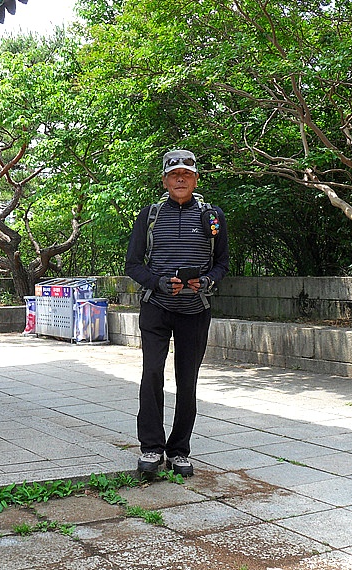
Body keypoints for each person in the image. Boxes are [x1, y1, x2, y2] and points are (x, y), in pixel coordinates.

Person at [125, 149, 229, 477]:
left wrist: (207, 281)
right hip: (156, 307)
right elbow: (133, 264)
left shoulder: (212, 215)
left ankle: (179, 450)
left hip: (195, 310)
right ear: (165, 181)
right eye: (174, 174)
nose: (180, 179)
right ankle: (151, 448)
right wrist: (156, 282)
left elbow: (222, 263)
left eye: (186, 174)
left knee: (188, 381)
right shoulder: (150, 215)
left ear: (196, 179)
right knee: (152, 375)